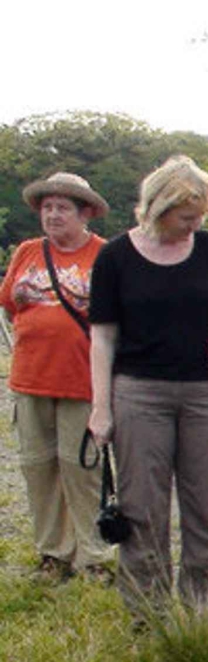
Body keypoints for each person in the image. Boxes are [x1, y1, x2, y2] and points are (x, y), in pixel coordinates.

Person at [87, 156, 208, 612]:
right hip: (138, 393)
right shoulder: (114, 258)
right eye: (187, 216)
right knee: (142, 509)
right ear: (158, 207)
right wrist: (100, 408)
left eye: (201, 216)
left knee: (206, 508)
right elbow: (103, 337)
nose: (195, 225)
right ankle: (146, 613)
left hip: (206, 394)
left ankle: (202, 610)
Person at [0, 173, 113, 581]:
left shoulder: (105, 255)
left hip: (82, 382)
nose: (52, 214)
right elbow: (10, 306)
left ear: (85, 213)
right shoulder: (27, 252)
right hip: (30, 380)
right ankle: (54, 554)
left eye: (62, 207)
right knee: (39, 469)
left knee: (82, 471)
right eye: (47, 207)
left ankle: (95, 557)